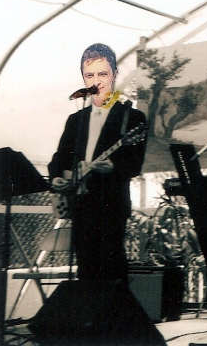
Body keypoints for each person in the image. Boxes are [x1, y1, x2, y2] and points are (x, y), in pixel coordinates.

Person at [49, 43, 147, 282]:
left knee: (112, 267)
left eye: (102, 74)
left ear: (114, 74)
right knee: (86, 268)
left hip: (111, 203)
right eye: (89, 75)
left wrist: (114, 167)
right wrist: (57, 177)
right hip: (80, 204)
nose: (96, 81)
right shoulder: (76, 120)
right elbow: (59, 158)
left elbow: (135, 163)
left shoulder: (131, 117)